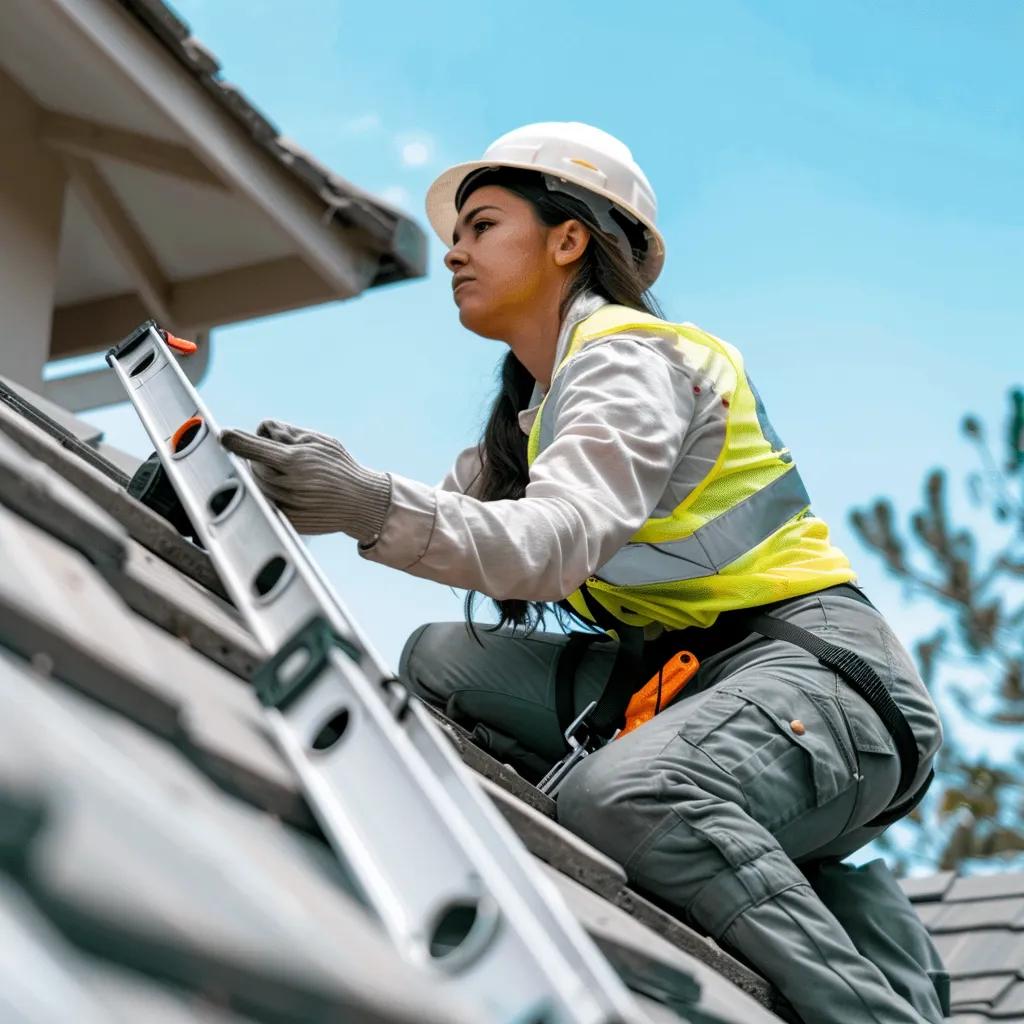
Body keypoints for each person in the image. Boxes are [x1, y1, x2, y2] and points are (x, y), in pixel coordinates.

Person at [222, 122, 948, 1024]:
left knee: (628, 796)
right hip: (695, 684)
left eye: (483, 226)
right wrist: (266, 487)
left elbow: (548, 542)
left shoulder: (632, 359)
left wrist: (365, 502)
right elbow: (451, 521)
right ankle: (799, 886)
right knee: (441, 660)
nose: (454, 252)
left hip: (826, 687)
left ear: (569, 239)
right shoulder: (537, 413)